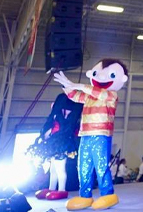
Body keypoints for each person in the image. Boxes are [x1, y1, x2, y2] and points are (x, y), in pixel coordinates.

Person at [53, 59, 129, 211]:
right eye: (96, 73)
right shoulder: (89, 97)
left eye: (109, 75)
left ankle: (107, 194)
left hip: (101, 135)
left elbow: (97, 92)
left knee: (101, 166)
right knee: (83, 166)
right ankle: (85, 195)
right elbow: (75, 96)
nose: (100, 77)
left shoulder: (111, 95)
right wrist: (67, 86)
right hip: (85, 135)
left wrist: (79, 85)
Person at [28, 93, 82, 201]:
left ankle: (62, 189)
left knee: (60, 169)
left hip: (61, 146)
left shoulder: (66, 121)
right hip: (55, 145)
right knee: (53, 169)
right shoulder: (59, 118)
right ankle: (51, 188)